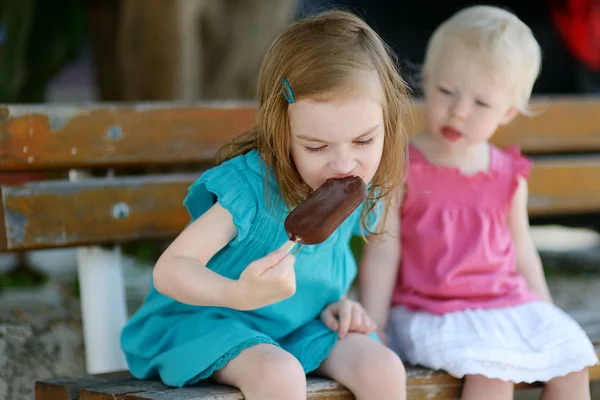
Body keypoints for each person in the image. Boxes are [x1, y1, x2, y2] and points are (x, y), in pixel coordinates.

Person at [120, 9, 411, 400]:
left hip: (298, 324)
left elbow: (327, 263)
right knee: (279, 374)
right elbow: (170, 271)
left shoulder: (366, 181)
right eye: (316, 146)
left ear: (387, 125)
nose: (343, 164)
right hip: (208, 320)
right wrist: (237, 294)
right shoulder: (250, 187)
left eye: (363, 141)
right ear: (282, 131)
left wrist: (342, 302)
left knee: (383, 369)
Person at [359, 5, 599, 400]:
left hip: (505, 304)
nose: (460, 111)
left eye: (481, 104)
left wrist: (547, 314)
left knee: (572, 363)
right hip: (435, 310)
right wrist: (375, 326)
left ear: (507, 111)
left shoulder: (508, 173)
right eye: (446, 91)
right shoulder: (402, 166)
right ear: (428, 79)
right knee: (492, 375)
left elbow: (523, 253)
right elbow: (383, 250)